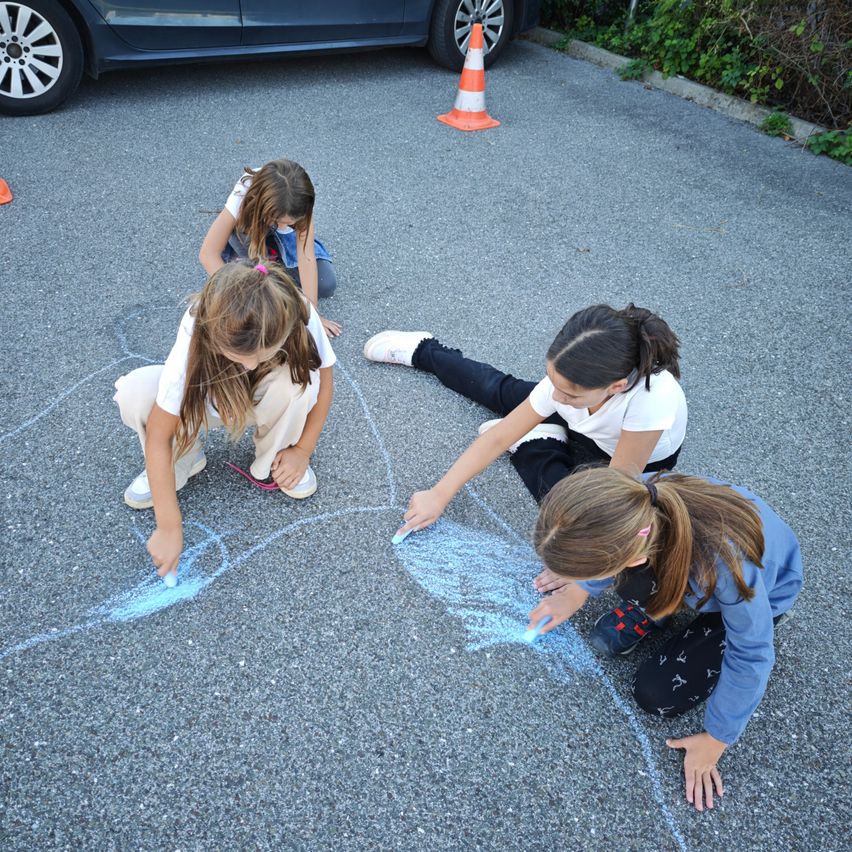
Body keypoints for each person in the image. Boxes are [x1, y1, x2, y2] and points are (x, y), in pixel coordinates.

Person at [527, 467, 803, 812]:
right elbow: (616, 557)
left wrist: (718, 738)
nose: (576, 579)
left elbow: (751, 653)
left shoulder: (725, 571)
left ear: (635, 557)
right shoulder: (630, 505)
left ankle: (673, 604)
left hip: (760, 592)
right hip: (681, 561)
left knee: (656, 695)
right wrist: (578, 590)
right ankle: (661, 602)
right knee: (641, 586)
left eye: (588, 573)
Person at [363, 304, 686, 571]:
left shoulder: (651, 398)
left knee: (566, 506)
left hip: (619, 457)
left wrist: (576, 572)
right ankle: (425, 351)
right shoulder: (572, 382)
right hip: (586, 420)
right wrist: (439, 493)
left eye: (568, 392)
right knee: (499, 390)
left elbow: (614, 496)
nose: (556, 396)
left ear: (615, 386)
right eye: (551, 380)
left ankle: (537, 443)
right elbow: (498, 437)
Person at [113, 262, 335, 583]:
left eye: (261, 355)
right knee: (136, 393)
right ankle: (184, 457)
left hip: (265, 396)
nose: (249, 365)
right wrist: (168, 525)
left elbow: (325, 385)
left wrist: (303, 449)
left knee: (302, 383)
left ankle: (278, 455)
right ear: (214, 334)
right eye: (241, 356)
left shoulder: (297, 309)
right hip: (210, 397)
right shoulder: (197, 323)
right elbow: (158, 436)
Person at [199, 159, 341, 337]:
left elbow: (306, 255)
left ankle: (274, 274)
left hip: (280, 240)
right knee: (258, 294)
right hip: (250, 235)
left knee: (325, 283)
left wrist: (311, 316)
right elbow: (208, 254)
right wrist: (239, 289)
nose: (282, 226)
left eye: (289, 223)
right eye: (279, 221)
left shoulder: (300, 198)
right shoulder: (243, 195)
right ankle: (263, 271)